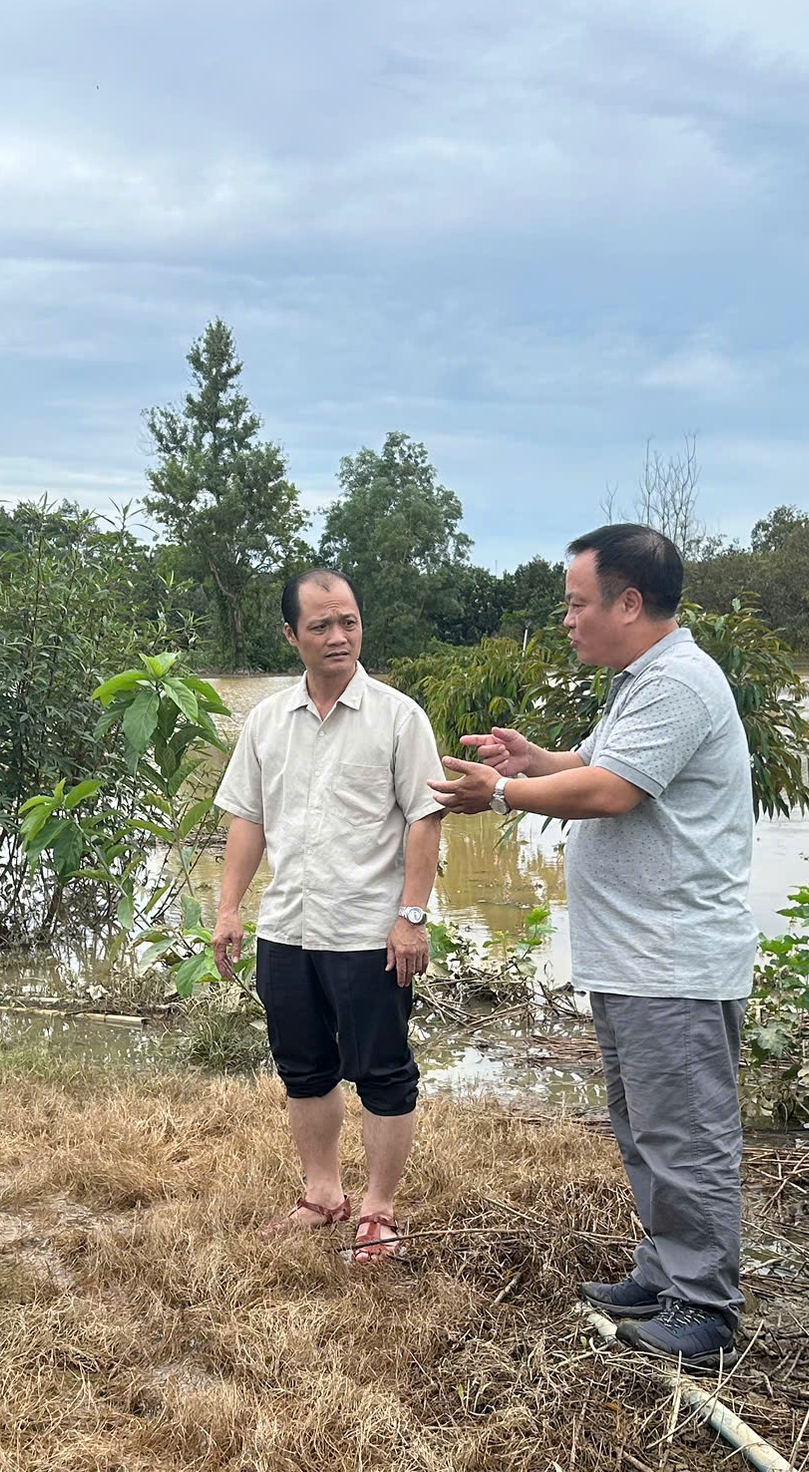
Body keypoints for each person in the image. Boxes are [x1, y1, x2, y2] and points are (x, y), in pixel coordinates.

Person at [431, 523, 756, 1366]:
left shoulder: (679, 681)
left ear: (629, 601)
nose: (569, 620)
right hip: (638, 957)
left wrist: (505, 790)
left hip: (673, 959)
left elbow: (611, 790)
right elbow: (603, 761)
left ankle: (706, 1307)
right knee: (647, 1125)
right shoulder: (641, 682)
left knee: (684, 1130)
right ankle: (666, 1271)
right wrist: (536, 759)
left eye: (578, 604)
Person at [211, 569, 448, 1262]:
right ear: (291, 635)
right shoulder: (266, 721)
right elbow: (248, 820)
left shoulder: (399, 717)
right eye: (320, 625)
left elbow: (425, 821)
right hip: (288, 928)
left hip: (369, 932)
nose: (338, 636)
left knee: (382, 1070)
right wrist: (230, 910)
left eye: (348, 621)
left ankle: (378, 1207)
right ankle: (322, 1193)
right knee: (303, 1067)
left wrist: (412, 916)